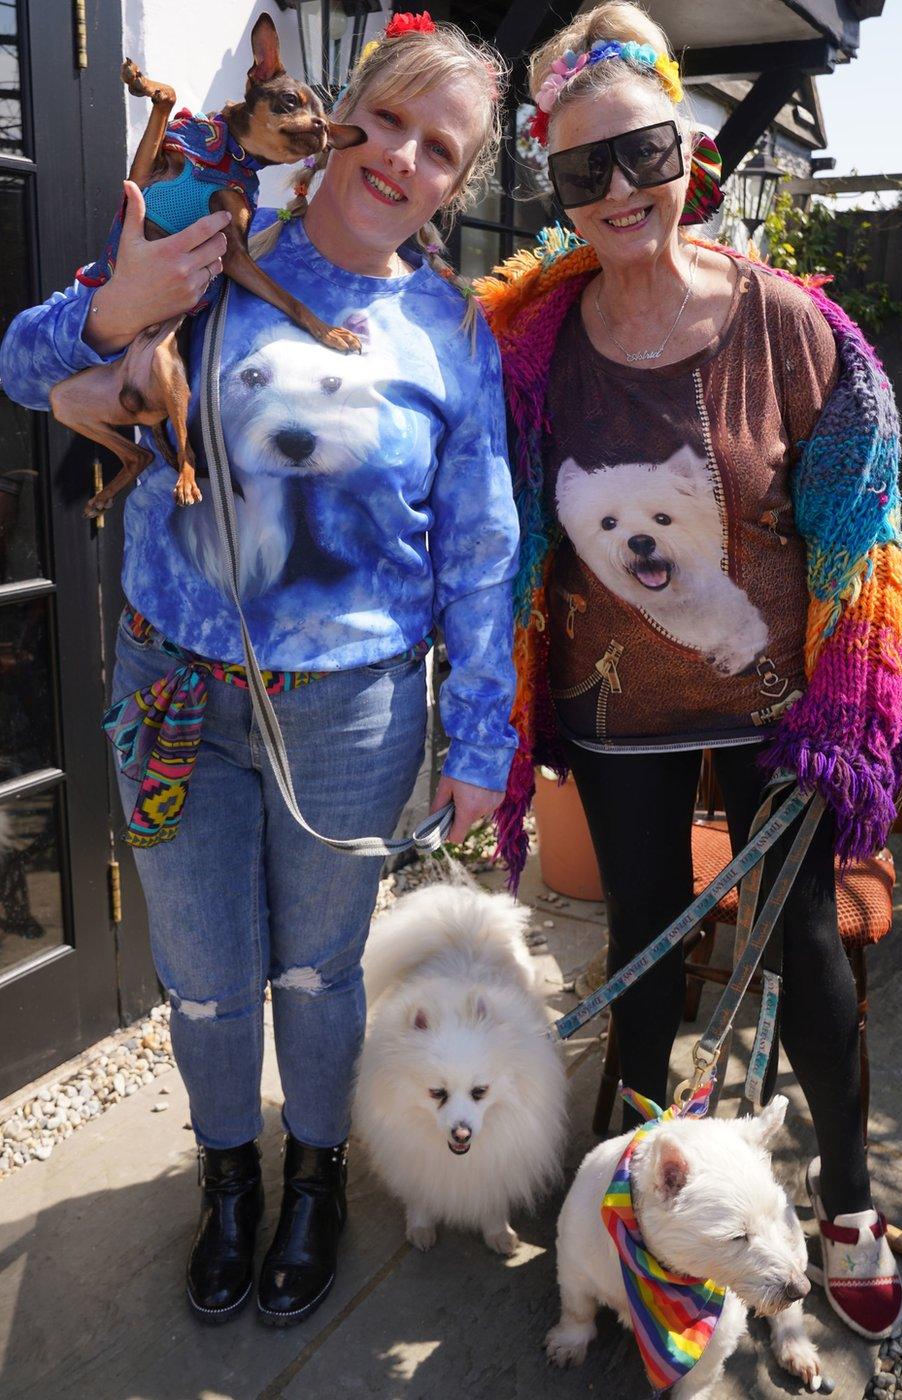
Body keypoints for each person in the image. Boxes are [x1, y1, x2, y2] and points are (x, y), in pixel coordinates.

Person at [0, 15, 518, 1328]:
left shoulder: (453, 331)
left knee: (321, 972)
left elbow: (479, 543)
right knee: (205, 971)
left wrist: (476, 740)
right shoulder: (215, 250)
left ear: (458, 182)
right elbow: (26, 364)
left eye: (439, 148)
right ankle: (230, 1178)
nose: (401, 158)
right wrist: (122, 307)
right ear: (343, 117)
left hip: (354, 711)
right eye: (389, 119)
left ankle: (316, 1181)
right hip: (174, 689)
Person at [479, 2, 902, 1343]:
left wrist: (846, 710)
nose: (620, 190)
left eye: (644, 153)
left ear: (691, 152)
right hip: (622, 718)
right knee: (648, 958)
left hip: (783, 712)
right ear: (554, 182)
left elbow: (861, 528)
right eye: (581, 170)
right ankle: (636, 1203)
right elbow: (492, 523)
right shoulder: (531, 345)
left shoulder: (788, 326)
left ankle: (844, 1200)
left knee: (811, 958)